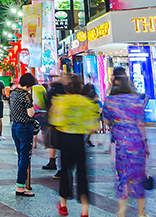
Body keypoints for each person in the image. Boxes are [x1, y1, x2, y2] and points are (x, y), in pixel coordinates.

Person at [49, 75, 98, 217]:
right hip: (79, 141)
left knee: (65, 172)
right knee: (82, 174)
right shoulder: (86, 102)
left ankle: (63, 206)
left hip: (65, 140)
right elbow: (93, 125)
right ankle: (84, 210)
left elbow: (54, 121)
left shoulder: (59, 101)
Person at [102, 74, 148, 217]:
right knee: (139, 177)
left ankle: (121, 213)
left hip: (120, 145)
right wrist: (145, 144)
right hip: (137, 144)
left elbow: (107, 121)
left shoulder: (110, 101)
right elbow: (141, 124)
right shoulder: (136, 100)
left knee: (121, 178)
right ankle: (141, 213)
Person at [9, 72, 38, 197]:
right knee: (25, 157)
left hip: (15, 126)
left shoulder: (13, 92)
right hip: (25, 127)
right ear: (28, 85)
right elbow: (30, 114)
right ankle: (20, 186)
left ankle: (22, 182)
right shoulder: (26, 95)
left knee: (21, 156)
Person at [42, 73, 65, 172]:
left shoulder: (50, 93)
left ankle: (52, 162)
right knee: (63, 145)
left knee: (54, 143)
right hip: (65, 122)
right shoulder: (66, 93)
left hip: (53, 122)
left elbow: (46, 106)